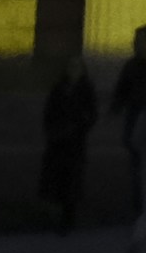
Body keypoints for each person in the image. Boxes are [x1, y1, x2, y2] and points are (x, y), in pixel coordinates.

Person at [37, 57, 100, 232]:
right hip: (57, 141)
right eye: (70, 66)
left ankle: (67, 219)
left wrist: (80, 125)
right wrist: (52, 130)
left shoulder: (86, 89)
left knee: (71, 180)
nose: (73, 70)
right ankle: (53, 215)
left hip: (75, 142)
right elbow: (49, 112)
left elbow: (92, 114)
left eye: (76, 67)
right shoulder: (59, 88)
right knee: (55, 178)